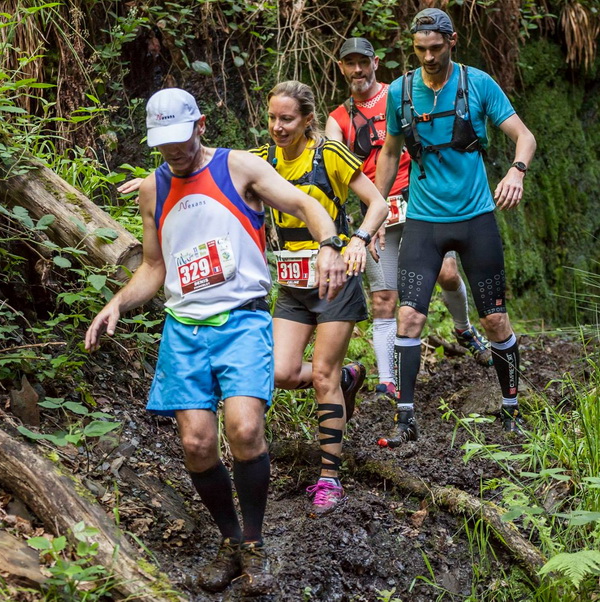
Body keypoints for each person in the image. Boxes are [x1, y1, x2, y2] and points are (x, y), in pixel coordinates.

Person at [85, 88, 349, 595]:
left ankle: (255, 544)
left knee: (245, 430)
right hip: (184, 328)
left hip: (242, 320)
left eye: (181, 139)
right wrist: (117, 302)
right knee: (197, 444)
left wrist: (330, 246)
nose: (173, 151)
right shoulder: (153, 189)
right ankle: (229, 542)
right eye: (163, 143)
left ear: (201, 125)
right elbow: (154, 267)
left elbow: (306, 204)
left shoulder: (240, 168)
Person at [374, 9, 537, 446]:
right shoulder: (400, 91)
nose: (428, 57)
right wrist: (375, 210)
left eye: (436, 48)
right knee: (408, 316)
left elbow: (524, 135)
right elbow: (390, 154)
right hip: (423, 221)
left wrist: (516, 171)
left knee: (496, 320)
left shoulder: (478, 83)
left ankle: (510, 408)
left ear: (452, 41)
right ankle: (404, 419)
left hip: (475, 218)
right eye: (420, 49)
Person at [326, 37, 492, 402]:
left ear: (376, 62)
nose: (357, 70)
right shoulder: (338, 120)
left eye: (363, 62)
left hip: (422, 202)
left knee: (449, 273)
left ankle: (464, 330)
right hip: (378, 211)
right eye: (349, 63)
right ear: (341, 67)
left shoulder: (402, 92)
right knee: (384, 297)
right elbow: (333, 169)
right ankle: (388, 381)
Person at [250, 80, 388, 516]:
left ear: (308, 119)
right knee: (282, 371)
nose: (277, 126)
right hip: (293, 282)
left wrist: (358, 240)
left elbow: (378, 203)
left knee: (321, 376)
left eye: (286, 118)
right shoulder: (262, 160)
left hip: (335, 279)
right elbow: (212, 177)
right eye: (272, 117)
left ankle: (329, 478)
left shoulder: (328, 153)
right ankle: (348, 378)